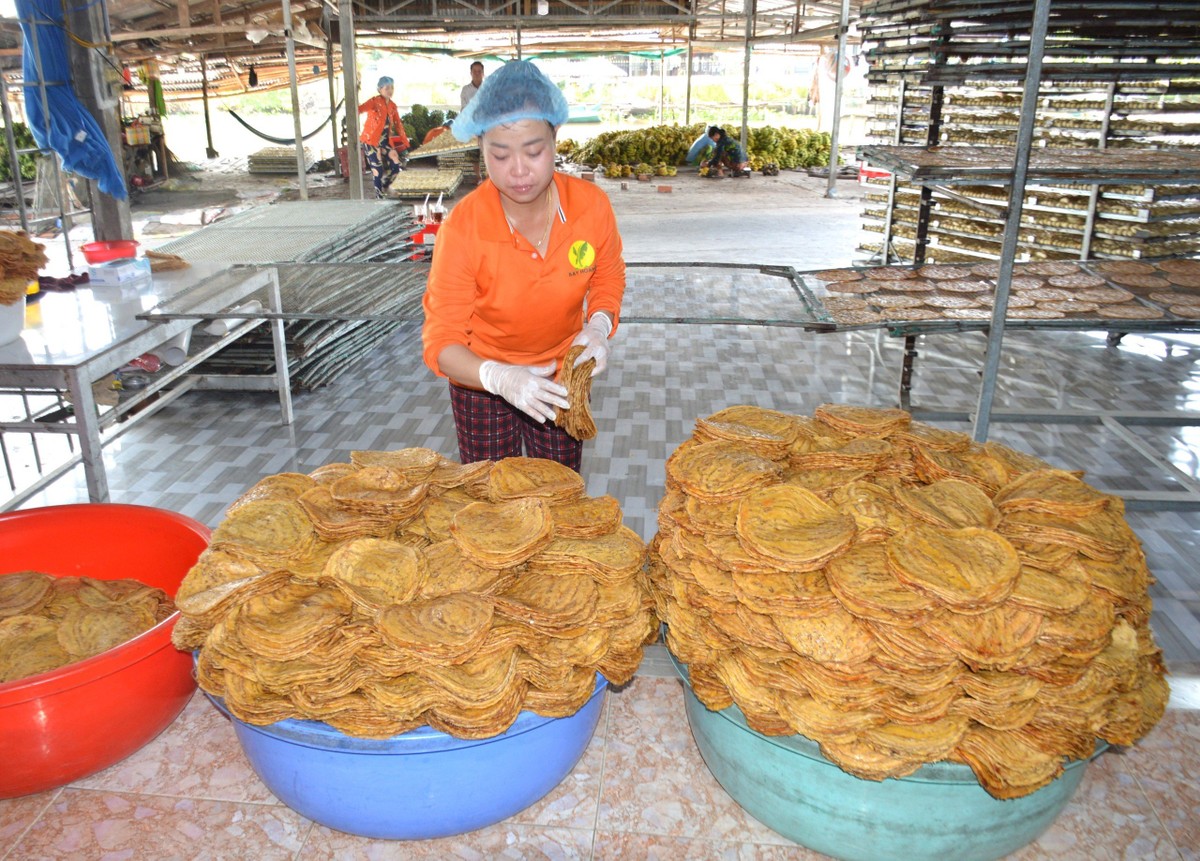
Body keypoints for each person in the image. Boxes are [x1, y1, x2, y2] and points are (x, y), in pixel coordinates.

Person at [422, 60, 626, 472]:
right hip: (482, 379)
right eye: (499, 155)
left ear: (555, 140)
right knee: (491, 496)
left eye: (534, 151)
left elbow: (607, 274)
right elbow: (442, 342)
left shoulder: (590, 207)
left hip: (560, 376)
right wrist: (499, 378)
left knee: (560, 492)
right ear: (481, 149)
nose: (518, 170)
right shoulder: (463, 228)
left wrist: (599, 325)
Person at [358, 76, 410, 198]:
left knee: (395, 161)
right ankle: (379, 195)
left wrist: (405, 142)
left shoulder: (392, 106)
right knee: (378, 168)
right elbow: (359, 109)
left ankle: (386, 183)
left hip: (385, 141)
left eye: (392, 88)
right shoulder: (374, 101)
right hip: (370, 140)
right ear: (380, 89)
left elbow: (398, 124)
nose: (390, 90)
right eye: (387, 88)